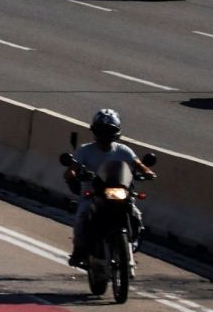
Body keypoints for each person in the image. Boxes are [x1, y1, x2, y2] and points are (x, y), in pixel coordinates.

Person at [64, 107, 154, 267]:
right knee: (81, 217)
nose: (105, 134)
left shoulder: (123, 150)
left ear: (116, 131)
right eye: (101, 129)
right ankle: (79, 250)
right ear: (94, 130)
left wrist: (147, 172)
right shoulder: (85, 150)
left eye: (109, 130)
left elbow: (137, 164)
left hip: (119, 191)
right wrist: (72, 173)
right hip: (93, 193)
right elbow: (74, 166)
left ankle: (131, 245)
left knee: (136, 215)